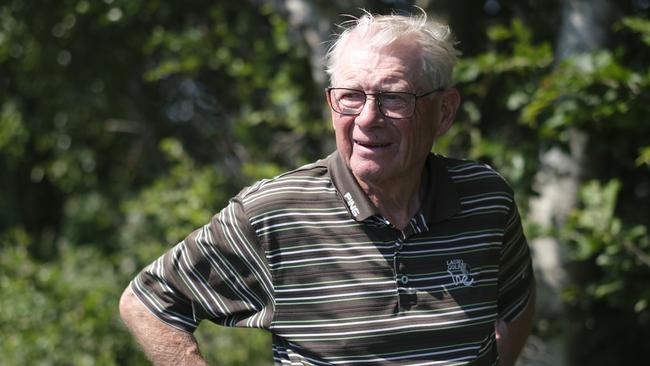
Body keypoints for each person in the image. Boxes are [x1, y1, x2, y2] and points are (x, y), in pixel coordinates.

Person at [119, 9, 535, 366]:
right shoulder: (275, 212)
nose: (368, 118)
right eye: (351, 96)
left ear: (444, 111)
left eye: (393, 98)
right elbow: (147, 303)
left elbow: (515, 300)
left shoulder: (485, 200)